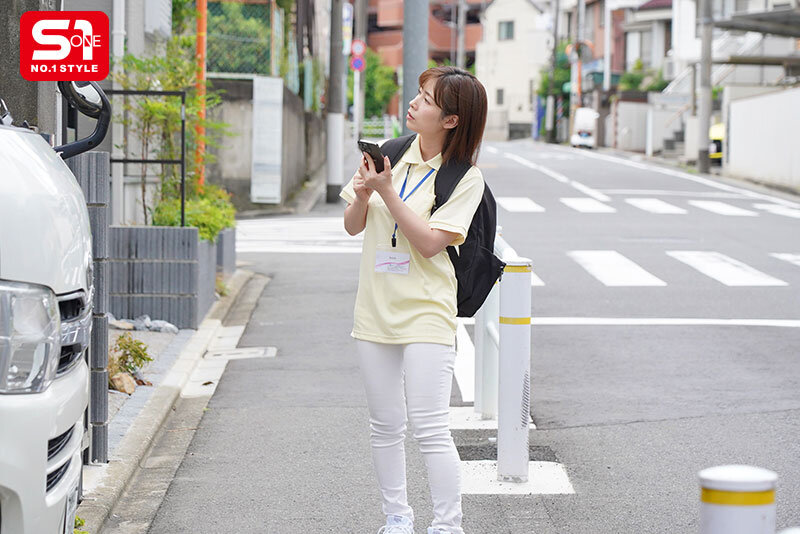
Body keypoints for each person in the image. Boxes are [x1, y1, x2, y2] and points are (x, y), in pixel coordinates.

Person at [340, 66, 488, 534]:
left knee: (429, 428)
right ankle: (397, 518)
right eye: (419, 95)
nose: (414, 103)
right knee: (384, 424)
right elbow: (352, 225)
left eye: (426, 99)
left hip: (427, 308)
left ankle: (447, 525)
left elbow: (429, 243)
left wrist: (386, 192)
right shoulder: (390, 155)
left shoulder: (465, 178)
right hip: (376, 306)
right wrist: (365, 194)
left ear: (450, 120)